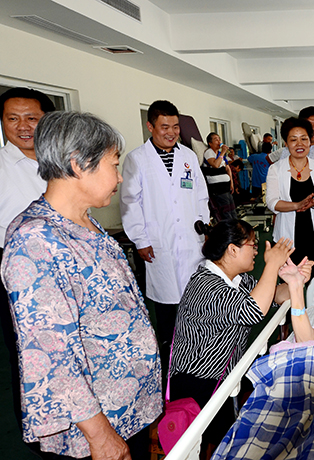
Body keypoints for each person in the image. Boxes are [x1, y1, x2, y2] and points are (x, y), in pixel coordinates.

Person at [1, 111, 162, 459]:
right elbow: (50, 353)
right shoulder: (35, 240)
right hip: (92, 428)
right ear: (78, 164)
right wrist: (100, 435)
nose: (119, 177)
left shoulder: (84, 222)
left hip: (125, 406)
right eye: (113, 165)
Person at [169, 220, 312, 447]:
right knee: (226, 443)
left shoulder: (238, 279)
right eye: (253, 245)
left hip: (225, 373)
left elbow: (274, 296)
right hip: (198, 382)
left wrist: (296, 279)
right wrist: (272, 266)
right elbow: (253, 311)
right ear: (232, 250)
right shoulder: (205, 286)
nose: (256, 251)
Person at [120, 99, 209, 377]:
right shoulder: (137, 159)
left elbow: (201, 195)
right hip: (158, 243)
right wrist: (140, 239)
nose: (171, 132)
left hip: (192, 240)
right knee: (168, 306)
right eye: (164, 127)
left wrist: (205, 228)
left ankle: (199, 355)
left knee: (196, 301)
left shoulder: (188, 156)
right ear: (150, 126)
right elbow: (130, 202)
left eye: (175, 126)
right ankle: (171, 364)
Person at [0, 87, 55, 429]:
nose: (23, 126)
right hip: (18, 272)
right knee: (27, 350)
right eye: (13, 118)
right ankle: (36, 426)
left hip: (64, 266)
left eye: (32, 118)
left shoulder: (59, 160)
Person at [267, 117, 314, 283]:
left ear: (310, 141)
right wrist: (297, 205)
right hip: (286, 242)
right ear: (286, 143)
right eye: (293, 139)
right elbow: (272, 202)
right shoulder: (276, 169)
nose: (299, 144)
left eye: (304, 139)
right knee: (288, 289)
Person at [267, 106, 314, 236]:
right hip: (287, 220)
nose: (313, 129)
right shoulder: (283, 157)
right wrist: (278, 213)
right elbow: (275, 196)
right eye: (293, 139)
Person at [202, 132, 236, 222]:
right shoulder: (209, 152)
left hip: (226, 187)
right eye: (216, 139)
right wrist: (223, 152)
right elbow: (215, 165)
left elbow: (228, 169)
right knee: (226, 213)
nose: (219, 141)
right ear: (210, 143)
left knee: (232, 210)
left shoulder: (220, 154)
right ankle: (229, 229)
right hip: (218, 189)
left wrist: (231, 183)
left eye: (219, 139)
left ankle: (236, 228)